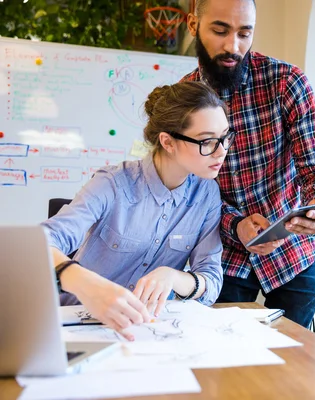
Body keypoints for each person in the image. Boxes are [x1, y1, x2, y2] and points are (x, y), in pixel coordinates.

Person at [182, 0, 315, 328]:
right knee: (227, 367)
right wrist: (235, 224)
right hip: (225, 258)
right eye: (220, 30)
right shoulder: (184, 99)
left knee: (293, 363)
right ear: (193, 25)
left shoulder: (287, 82)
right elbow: (188, 192)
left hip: (294, 253)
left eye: (244, 33)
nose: (232, 46)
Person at [42, 81, 234, 340]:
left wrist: (173, 277)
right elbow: (39, 244)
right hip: (78, 325)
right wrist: (87, 284)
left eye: (225, 137)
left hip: (145, 332)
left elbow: (211, 282)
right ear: (168, 142)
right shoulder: (112, 183)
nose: (221, 151)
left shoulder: (206, 194)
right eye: (208, 141)